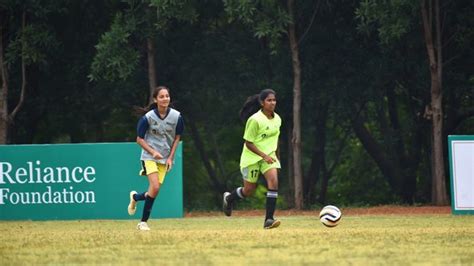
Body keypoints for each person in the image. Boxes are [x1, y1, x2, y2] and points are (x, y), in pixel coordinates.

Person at [223, 89, 282, 229]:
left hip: (268, 157)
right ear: (262, 103)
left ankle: (269, 220)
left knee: (273, 181)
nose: (272, 102)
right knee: (249, 190)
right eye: (269, 100)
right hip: (251, 158)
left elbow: (275, 139)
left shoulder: (278, 119)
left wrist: (275, 156)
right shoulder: (255, 120)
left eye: (274, 100)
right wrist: (263, 155)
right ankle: (229, 198)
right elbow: (248, 143)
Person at [127, 86, 184, 231]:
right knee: (156, 187)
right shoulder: (148, 118)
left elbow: (177, 138)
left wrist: (170, 158)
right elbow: (139, 139)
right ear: (155, 99)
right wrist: (153, 152)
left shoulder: (177, 117)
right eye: (162, 96)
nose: (165, 99)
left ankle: (136, 198)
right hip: (149, 157)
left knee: (153, 191)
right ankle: (143, 222)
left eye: (167, 96)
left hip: (165, 159)